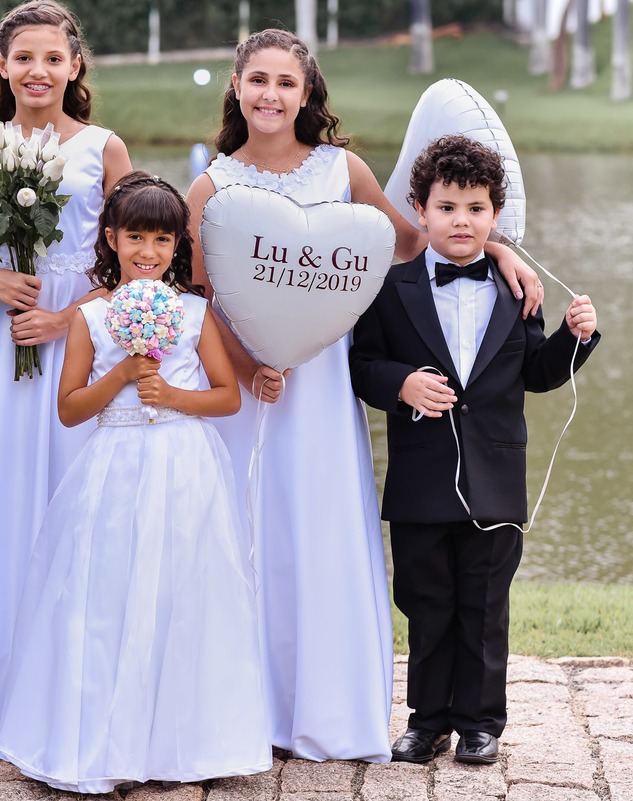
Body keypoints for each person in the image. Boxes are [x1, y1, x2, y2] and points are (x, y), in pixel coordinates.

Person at [183, 29, 544, 763]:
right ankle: (241, 711)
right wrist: (247, 365)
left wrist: (498, 245)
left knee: (319, 535)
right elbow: (195, 296)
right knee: (249, 537)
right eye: (258, 80)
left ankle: (326, 713)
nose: (272, 95)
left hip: (320, 390)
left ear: (308, 93)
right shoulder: (211, 186)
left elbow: (415, 242)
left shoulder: (343, 171)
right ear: (237, 87)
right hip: (248, 387)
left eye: (287, 82)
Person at [0, 171, 270, 792]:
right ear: (112, 238)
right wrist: (120, 377)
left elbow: (227, 398)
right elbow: (69, 408)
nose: (148, 252)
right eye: (136, 237)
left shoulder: (197, 313)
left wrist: (172, 393)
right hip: (114, 463)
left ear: (179, 248)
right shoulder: (90, 313)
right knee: (107, 593)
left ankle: (178, 747)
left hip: (185, 466)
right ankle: (102, 745)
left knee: (184, 593)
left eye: (162, 241)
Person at [0, 0, 133, 761]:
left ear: (75, 67)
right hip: (5, 354)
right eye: (24, 58)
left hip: (85, 349)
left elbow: (142, 262)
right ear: (2, 66)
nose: (38, 71)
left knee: (84, 509)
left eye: (53, 58)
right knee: (3, 507)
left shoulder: (105, 149)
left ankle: (82, 700)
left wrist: (70, 314)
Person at [349, 134, 599, 765]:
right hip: (419, 482)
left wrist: (576, 339)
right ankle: (425, 720)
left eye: (476, 209)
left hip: (496, 476)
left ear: (495, 217)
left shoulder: (521, 293)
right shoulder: (390, 286)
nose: (462, 221)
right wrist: (400, 382)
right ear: (420, 209)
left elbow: (537, 374)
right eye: (448, 207)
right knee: (426, 604)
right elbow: (359, 366)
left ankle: (481, 722)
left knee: (486, 608)